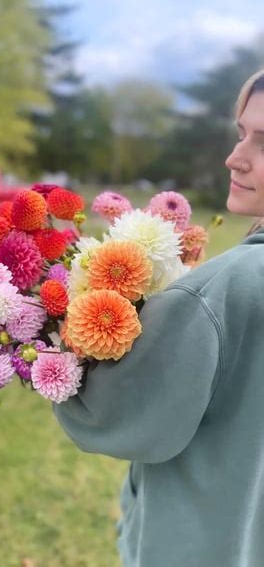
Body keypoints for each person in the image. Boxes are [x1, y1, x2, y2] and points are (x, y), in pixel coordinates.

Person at [53, 69, 264, 567]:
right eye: (241, 135)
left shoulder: (218, 292)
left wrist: (60, 347)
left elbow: (113, 419)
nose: (235, 158)